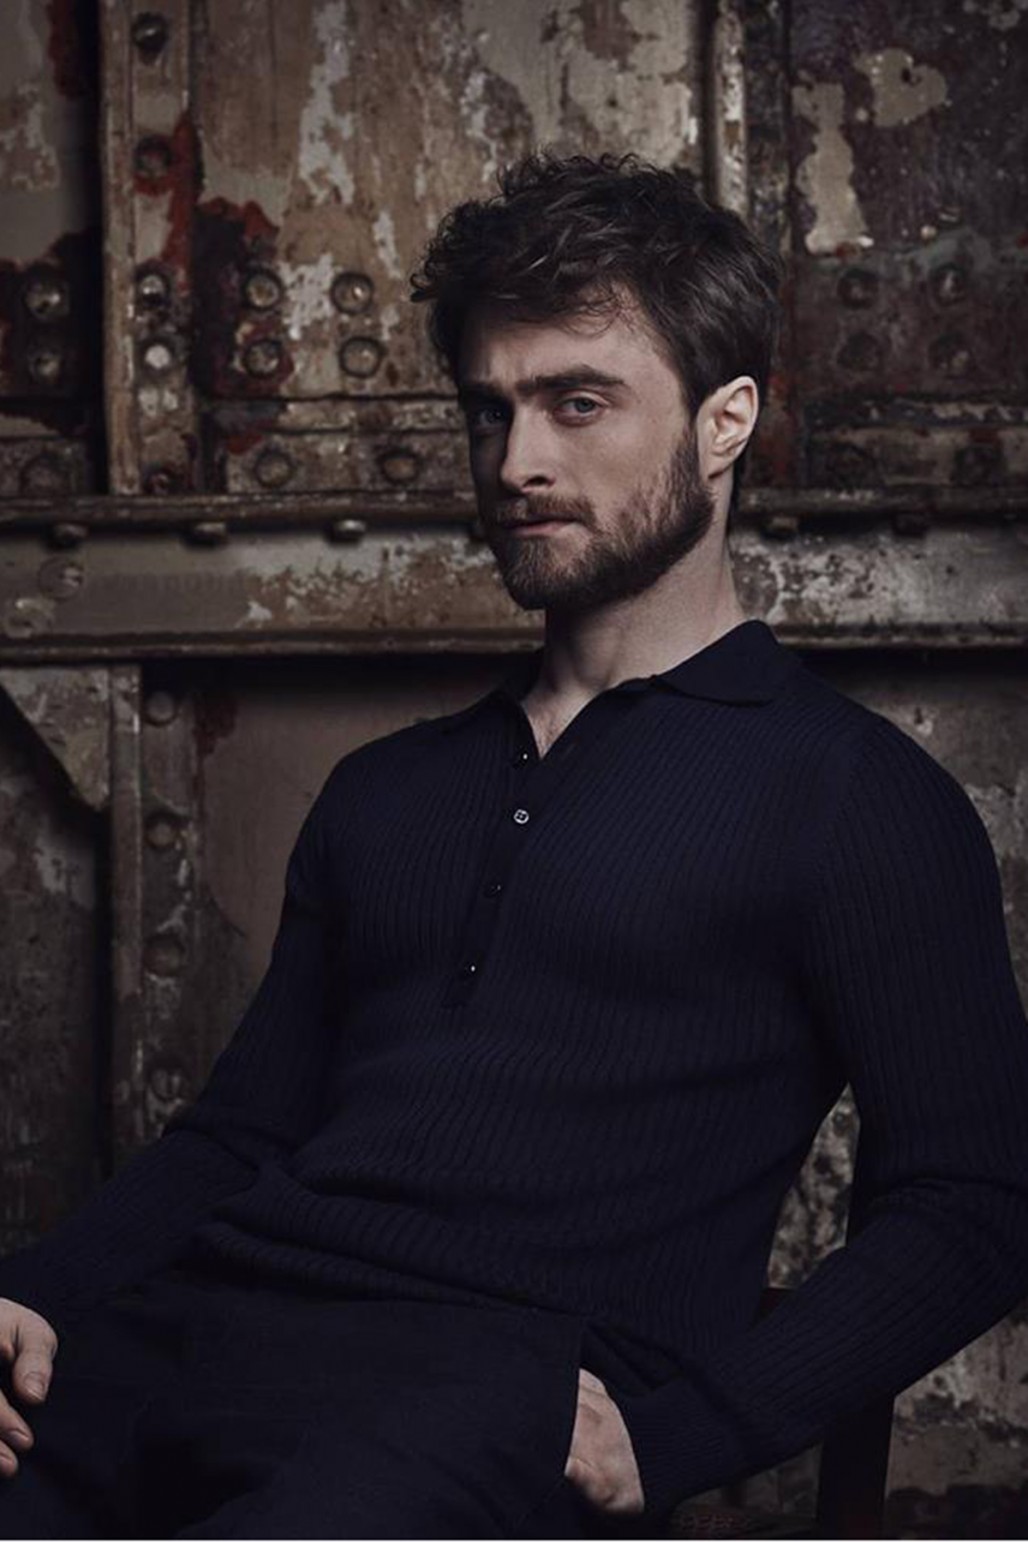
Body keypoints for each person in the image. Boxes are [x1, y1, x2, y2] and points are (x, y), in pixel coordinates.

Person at [1, 151, 1027, 1540]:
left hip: (482, 1396)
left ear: (725, 421)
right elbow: (240, 1136)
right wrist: (37, 1294)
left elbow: (976, 1202)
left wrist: (678, 1436)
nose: (518, 463)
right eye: (491, 409)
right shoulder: (386, 792)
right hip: (190, 1335)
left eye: (577, 403)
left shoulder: (856, 799)